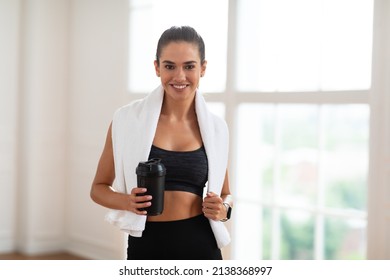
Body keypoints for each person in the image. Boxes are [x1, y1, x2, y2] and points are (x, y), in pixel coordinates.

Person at [90, 26, 233, 260]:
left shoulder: (216, 128)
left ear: (203, 68)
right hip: (148, 244)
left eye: (189, 66)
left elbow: (226, 194)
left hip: (201, 244)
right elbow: (98, 189)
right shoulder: (126, 120)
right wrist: (127, 202)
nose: (179, 76)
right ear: (157, 67)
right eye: (169, 66)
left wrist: (224, 209)